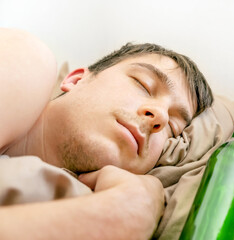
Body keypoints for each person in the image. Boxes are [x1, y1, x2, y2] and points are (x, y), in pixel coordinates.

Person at [0, 28, 213, 239]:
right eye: (143, 85)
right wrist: (126, 214)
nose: (160, 117)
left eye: (173, 127)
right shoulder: (28, 59)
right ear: (75, 80)